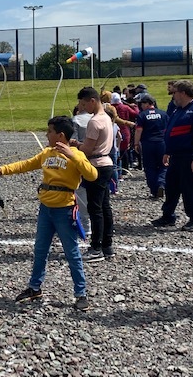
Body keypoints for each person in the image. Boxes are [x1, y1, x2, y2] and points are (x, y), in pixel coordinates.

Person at [0, 116, 98, 311]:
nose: (46, 135)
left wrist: (73, 156)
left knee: (72, 253)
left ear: (60, 135)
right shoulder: (47, 153)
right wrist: (1, 170)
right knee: (40, 250)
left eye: (49, 132)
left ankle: (81, 294)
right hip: (45, 210)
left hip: (64, 211)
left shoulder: (76, 154)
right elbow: (26, 164)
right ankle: (34, 287)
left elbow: (92, 174)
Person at [152, 80, 193, 231]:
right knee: (171, 187)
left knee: (190, 188)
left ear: (183, 93)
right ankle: (168, 215)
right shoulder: (179, 110)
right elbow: (171, 133)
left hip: (188, 156)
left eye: (175, 93)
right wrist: (167, 151)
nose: (173, 96)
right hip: (175, 156)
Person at [71, 87, 115, 262]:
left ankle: (96, 247)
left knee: (95, 208)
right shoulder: (107, 118)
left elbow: (88, 149)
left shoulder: (94, 121)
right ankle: (107, 245)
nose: (82, 108)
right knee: (104, 206)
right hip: (107, 164)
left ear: (92, 101)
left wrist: (75, 144)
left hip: (96, 165)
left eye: (83, 104)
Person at [134, 94, 168, 199]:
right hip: (162, 143)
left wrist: (136, 143)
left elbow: (139, 130)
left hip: (148, 143)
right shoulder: (163, 114)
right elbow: (168, 130)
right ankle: (161, 183)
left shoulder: (142, 115)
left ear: (149, 104)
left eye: (143, 103)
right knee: (163, 165)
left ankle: (154, 190)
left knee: (149, 167)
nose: (141, 106)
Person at [72, 103, 93, 235]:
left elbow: (72, 142)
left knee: (81, 191)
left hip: (82, 158)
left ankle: (85, 225)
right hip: (101, 160)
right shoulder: (100, 118)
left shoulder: (76, 120)